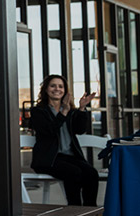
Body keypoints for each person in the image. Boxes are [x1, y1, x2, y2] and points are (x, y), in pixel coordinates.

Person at [29, 75, 98, 206]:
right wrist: (63, 113)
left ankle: (89, 215)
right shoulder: (38, 111)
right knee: (74, 173)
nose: (57, 89)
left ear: (65, 90)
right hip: (49, 159)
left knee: (92, 173)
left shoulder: (70, 111)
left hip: (70, 157)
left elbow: (80, 129)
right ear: (46, 89)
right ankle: (74, 212)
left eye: (61, 86)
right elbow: (49, 131)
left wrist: (82, 108)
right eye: (53, 85)